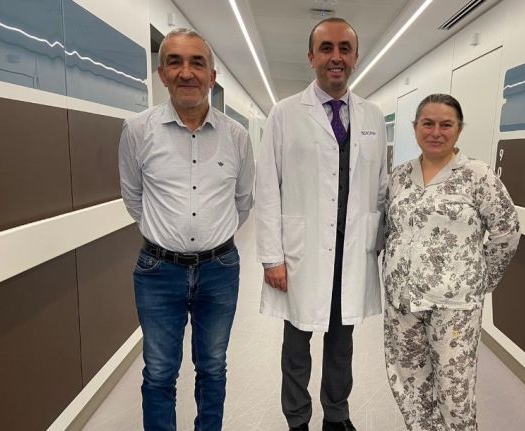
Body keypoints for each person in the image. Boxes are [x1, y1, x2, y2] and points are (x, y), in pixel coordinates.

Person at [255, 17, 387, 431]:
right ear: (311, 56)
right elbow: (267, 188)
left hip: (351, 252)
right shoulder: (284, 113)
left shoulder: (372, 116)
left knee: (341, 345)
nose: (336, 57)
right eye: (326, 48)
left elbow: (380, 188)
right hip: (302, 253)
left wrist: (379, 244)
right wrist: (272, 257)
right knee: (297, 346)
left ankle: (336, 415)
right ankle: (297, 420)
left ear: (355, 57)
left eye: (344, 49)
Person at [118, 28, 254, 431]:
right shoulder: (137, 131)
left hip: (220, 270)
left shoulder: (237, 136)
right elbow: (133, 196)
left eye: (197, 62)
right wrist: (166, 236)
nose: (186, 72)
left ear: (212, 75)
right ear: (162, 73)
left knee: (212, 367)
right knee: (159, 371)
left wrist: (211, 237)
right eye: (174, 62)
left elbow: (243, 200)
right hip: (158, 272)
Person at [382, 94, 520, 430]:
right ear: (415, 127)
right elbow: (390, 228)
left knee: (454, 392)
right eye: (427, 123)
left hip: (454, 307)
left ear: (459, 130)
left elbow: (507, 232)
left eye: (446, 125)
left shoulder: (477, 176)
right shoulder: (399, 176)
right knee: (410, 385)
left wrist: (480, 280)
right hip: (403, 302)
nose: (436, 132)